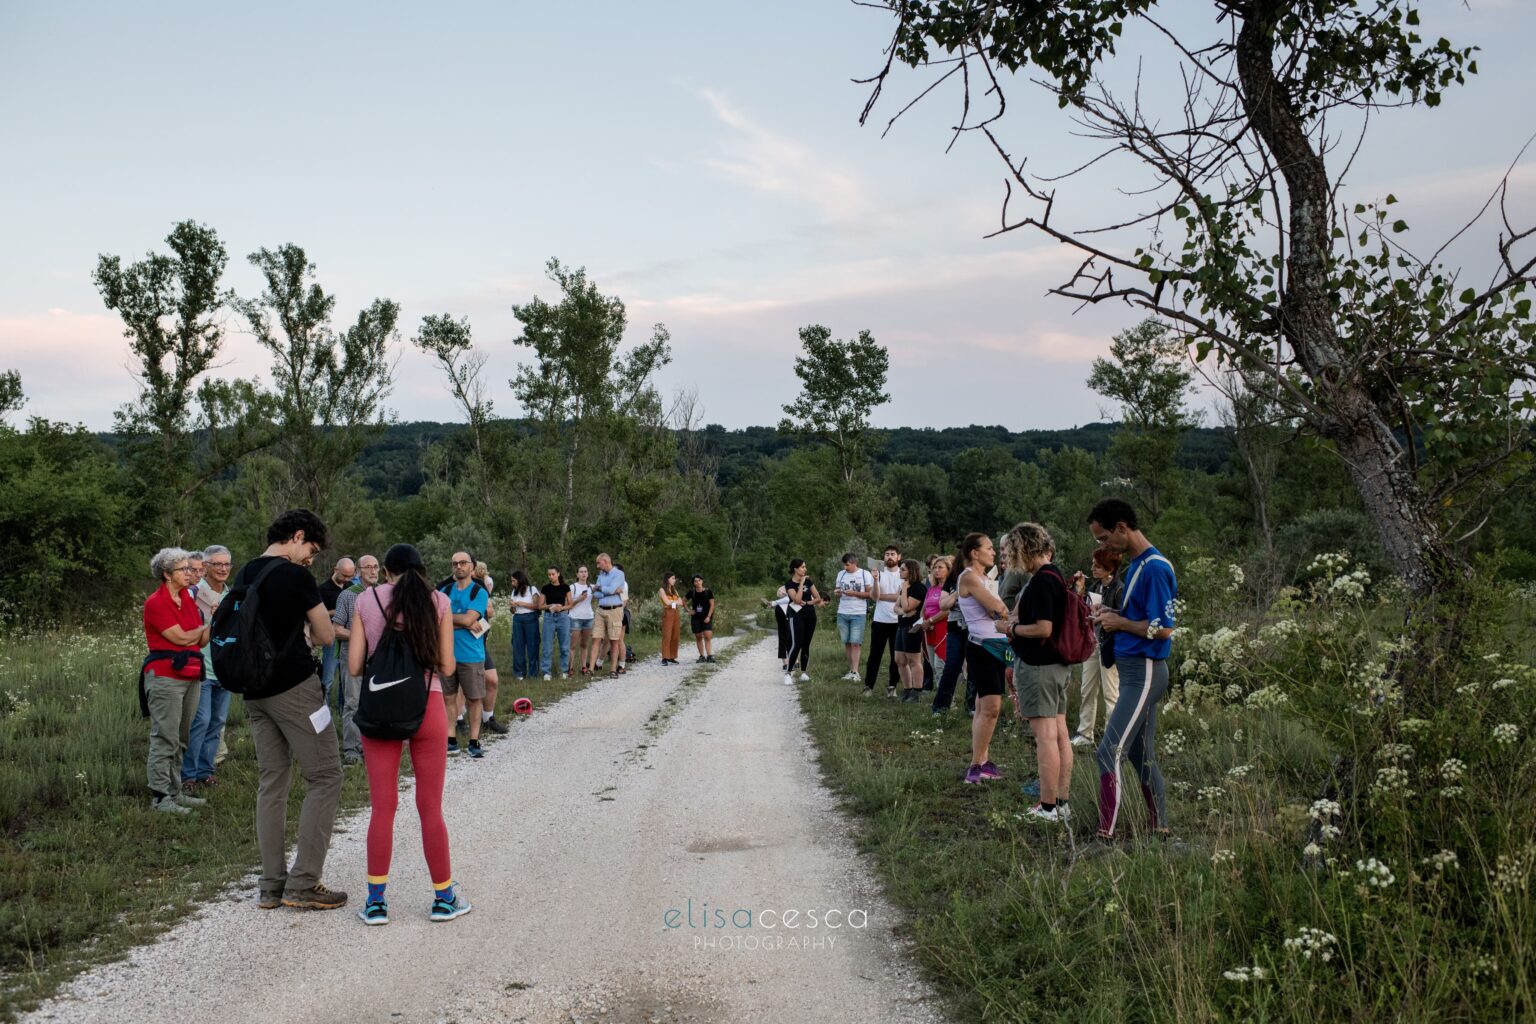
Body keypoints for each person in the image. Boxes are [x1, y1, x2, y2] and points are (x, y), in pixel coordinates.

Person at [346, 543, 471, 925]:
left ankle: (376, 902)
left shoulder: (365, 600)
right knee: (430, 808)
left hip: (381, 709)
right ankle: (443, 898)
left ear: (386, 572)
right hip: (428, 706)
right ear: (422, 571)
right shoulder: (439, 602)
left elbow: (354, 667)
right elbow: (448, 664)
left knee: (383, 807)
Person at [235, 509, 346, 910]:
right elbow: (325, 635)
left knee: (273, 781)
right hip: (295, 689)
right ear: (297, 536)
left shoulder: (245, 571)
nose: (310, 560)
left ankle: (270, 884)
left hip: (254, 690)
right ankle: (303, 882)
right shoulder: (296, 577)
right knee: (326, 776)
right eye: (311, 550)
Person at [1087, 498, 1178, 842]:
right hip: (1132, 671)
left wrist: (1119, 622)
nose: (1103, 546)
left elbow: (1164, 628)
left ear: (1121, 527)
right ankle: (1160, 828)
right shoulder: (1138, 565)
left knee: (1107, 750)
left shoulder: (1155, 567)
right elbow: (1138, 619)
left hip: (1145, 671)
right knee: (1141, 754)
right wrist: (1110, 619)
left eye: (1103, 538)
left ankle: (1104, 835)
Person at [1002, 523, 1074, 823]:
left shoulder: (1044, 580)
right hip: (1054, 665)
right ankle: (1061, 802)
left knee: (1045, 737)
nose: (1008, 557)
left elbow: (1044, 628)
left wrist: (1011, 628)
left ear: (1024, 548)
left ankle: (1047, 807)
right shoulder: (1053, 576)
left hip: (1040, 666)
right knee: (1059, 734)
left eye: (1011, 550)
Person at [141, 547, 209, 814]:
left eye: (190, 569)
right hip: (166, 676)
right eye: (184, 569)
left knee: (181, 736)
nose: (190, 573)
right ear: (167, 574)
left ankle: (175, 790)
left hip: (191, 672)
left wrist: (208, 624)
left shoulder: (188, 599)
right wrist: (200, 630)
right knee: (164, 736)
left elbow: (200, 639)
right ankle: (160, 797)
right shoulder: (156, 602)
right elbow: (179, 637)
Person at [953, 532, 1011, 785]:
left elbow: (996, 609)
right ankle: (975, 766)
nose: (994, 552)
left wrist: (998, 610)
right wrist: (999, 610)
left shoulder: (985, 578)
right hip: (983, 646)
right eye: (989, 548)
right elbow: (999, 609)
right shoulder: (968, 577)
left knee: (983, 707)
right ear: (974, 553)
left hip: (995, 645)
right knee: (991, 708)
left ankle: (983, 761)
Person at [183, 544, 234, 790]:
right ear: (206, 567)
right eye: (217, 564)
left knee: (217, 722)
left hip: (225, 669)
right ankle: (188, 775)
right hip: (201, 668)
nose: (223, 568)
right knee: (200, 721)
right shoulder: (193, 593)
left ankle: (205, 771)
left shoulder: (232, 595)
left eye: (227, 564)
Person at [331, 554, 380, 765]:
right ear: (358, 572)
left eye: (376, 567)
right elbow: (336, 628)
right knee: (353, 703)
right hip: (352, 656)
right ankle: (352, 750)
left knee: (375, 703)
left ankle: (372, 746)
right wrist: (360, 635)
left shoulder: (382, 594)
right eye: (367, 567)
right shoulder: (348, 595)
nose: (373, 571)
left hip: (378, 658)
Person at [441, 551, 489, 759]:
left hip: (471, 655)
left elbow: (470, 620)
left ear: (472, 566)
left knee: (474, 699)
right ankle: (450, 740)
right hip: (447, 653)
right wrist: (461, 620)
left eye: (463, 563)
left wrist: (447, 618)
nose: (459, 566)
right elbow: (435, 617)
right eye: (455, 563)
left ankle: (474, 740)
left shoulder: (479, 592)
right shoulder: (444, 591)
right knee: (448, 698)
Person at [1073, 548, 1123, 747]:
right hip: (1093, 643)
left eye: (1097, 565)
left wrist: (1104, 615)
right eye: (1093, 564)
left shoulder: (1119, 589)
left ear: (1110, 568)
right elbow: (1083, 609)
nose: (1093, 568)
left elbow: (1124, 615)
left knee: (1111, 693)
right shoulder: (1095, 585)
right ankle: (1085, 734)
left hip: (1109, 645)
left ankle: (1113, 739)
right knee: (1087, 689)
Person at [471, 562, 509, 736]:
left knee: (492, 680)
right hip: (462, 643)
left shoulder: (479, 587)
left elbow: (490, 611)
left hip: (480, 641)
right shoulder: (453, 588)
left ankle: (488, 719)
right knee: (463, 685)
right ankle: (459, 720)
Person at [863, 545, 904, 698]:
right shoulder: (878, 573)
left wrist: (884, 597)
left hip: (897, 620)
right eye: (887, 554)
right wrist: (875, 581)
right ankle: (868, 686)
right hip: (880, 620)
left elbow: (899, 597)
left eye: (893, 554)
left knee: (896, 656)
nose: (889, 557)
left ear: (899, 557)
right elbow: (874, 596)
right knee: (875, 655)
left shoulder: (903, 573)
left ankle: (892, 686)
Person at [318, 557, 355, 702]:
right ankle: (324, 713)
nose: (346, 579)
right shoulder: (322, 589)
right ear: (335, 570)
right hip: (332, 639)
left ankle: (342, 711)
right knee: (327, 680)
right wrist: (335, 612)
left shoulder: (351, 587)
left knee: (346, 682)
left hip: (347, 639)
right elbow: (317, 615)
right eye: (344, 575)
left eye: (349, 576)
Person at [833, 553, 874, 681]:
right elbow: (837, 591)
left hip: (858, 612)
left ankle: (856, 672)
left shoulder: (864, 574)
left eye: (847, 565)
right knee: (847, 642)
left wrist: (854, 593)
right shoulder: (841, 574)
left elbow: (870, 594)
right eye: (844, 565)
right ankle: (851, 670)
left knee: (856, 643)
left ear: (854, 563)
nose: (845, 567)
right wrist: (837, 592)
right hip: (843, 612)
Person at [782, 559, 822, 684]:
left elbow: (818, 598)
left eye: (805, 567)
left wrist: (809, 603)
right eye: (803, 567)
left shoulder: (809, 581)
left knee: (806, 644)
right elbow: (797, 600)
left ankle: (804, 672)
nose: (805, 569)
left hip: (810, 615)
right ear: (795, 568)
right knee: (796, 643)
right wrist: (801, 583)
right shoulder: (789, 584)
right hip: (796, 616)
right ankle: (788, 673)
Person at [893, 558, 927, 702]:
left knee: (914, 660)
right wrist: (903, 612)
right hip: (902, 625)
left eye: (903, 569)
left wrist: (905, 591)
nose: (900, 571)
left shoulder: (918, 588)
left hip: (913, 627)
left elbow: (907, 606)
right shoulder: (902, 586)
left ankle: (917, 691)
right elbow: (896, 607)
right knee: (899, 660)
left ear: (911, 571)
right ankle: (907, 690)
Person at [591, 553, 627, 677]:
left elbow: (608, 589)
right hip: (601, 609)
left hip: (614, 609)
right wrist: (607, 590)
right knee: (597, 638)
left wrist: (600, 588)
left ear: (605, 561)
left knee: (614, 640)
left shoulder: (619, 574)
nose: (597, 566)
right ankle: (592, 667)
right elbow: (595, 594)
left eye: (599, 563)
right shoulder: (601, 575)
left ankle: (613, 669)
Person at [918, 557, 950, 691]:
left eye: (940, 567)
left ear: (948, 570)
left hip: (943, 628)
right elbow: (923, 609)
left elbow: (946, 610)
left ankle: (948, 700)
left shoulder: (950, 589)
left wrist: (931, 621)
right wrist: (924, 622)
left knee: (940, 664)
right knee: (932, 664)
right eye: (935, 568)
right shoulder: (931, 589)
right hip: (929, 629)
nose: (936, 570)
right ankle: (940, 696)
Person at [508, 570, 543, 679]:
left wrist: (520, 603)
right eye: (511, 581)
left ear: (520, 580)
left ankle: (533, 673)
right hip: (517, 619)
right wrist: (512, 606)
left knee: (533, 646)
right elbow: (513, 611)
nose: (512, 583)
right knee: (518, 646)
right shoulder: (514, 592)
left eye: (514, 580)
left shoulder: (532, 589)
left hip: (531, 618)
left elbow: (536, 606)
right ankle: (519, 672)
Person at [540, 566, 573, 679]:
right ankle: (546, 672)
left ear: (558, 574)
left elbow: (570, 604)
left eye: (553, 574)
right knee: (547, 646)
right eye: (549, 574)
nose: (551, 576)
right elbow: (540, 605)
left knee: (564, 646)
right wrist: (551, 606)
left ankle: (564, 671)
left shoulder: (565, 587)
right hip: (549, 617)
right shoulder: (545, 588)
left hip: (563, 617)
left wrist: (562, 607)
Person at [570, 565, 596, 675]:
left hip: (588, 618)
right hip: (575, 617)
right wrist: (579, 599)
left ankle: (584, 667)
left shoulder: (591, 587)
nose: (583, 574)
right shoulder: (573, 587)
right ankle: (570, 668)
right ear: (577, 574)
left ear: (588, 574)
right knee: (573, 645)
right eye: (581, 572)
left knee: (584, 644)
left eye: (585, 571)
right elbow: (568, 604)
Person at [658, 572, 685, 665]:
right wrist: (674, 602)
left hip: (676, 613)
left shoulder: (674, 590)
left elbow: (681, 602)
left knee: (675, 635)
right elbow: (666, 602)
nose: (674, 580)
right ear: (668, 579)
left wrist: (672, 602)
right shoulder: (662, 590)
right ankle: (665, 657)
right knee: (667, 635)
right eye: (673, 578)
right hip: (668, 613)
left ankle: (672, 656)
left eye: (675, 578)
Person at [689, 574, 716, 662]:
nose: (698, 582)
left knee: (707, 636)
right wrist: (688, 610)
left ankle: (709, 656)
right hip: (696, 617)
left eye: (699, 580)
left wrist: (709, 616)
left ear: (702, 581)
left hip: (706, 617)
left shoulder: (708, 592)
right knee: (698, 636)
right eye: (696, 581)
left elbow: (712, 604)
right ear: (693, 583)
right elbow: (683, 600)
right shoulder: (692, 592)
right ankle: (701, 656)